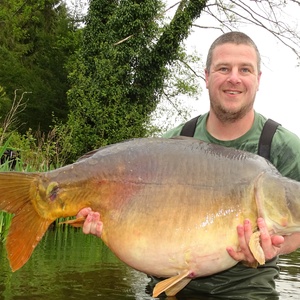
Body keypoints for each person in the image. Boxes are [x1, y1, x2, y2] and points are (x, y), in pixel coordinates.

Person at [76, 32, 300, 298]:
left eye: (245, 69)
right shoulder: (172, 143)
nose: (234, 78)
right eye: (223, 68)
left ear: (258, 79)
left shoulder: (285, 146)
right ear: (206, 76)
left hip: (249, 292)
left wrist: (275, 247)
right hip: (172, 286)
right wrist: (108, 224)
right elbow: (141, 222)